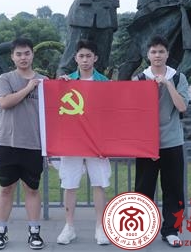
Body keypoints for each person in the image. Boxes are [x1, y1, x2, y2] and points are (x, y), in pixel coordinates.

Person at [0, 38, 47, 250]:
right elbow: (5, 103)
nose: (23, 58)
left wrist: (65, 83)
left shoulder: (44, 81)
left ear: (33, 55)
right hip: (8, 142)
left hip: (34, 144)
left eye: (27, 53)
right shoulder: (5, 78)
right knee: (6, 188)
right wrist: (29, 87)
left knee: (32, 189)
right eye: (19, 54)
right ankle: (0, 230)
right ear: (12, 57)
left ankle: (34, 232)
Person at [133, 35, 189, 248]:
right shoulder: (139, 79)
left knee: (173, 188)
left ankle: (171, 231)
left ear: (167, 54)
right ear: (148, 55)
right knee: (143, 189)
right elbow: (133, 113)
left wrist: (167, 84)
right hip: (146, 144)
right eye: (153, 52)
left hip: (172, 142)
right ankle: (141, 229)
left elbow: (182, 107)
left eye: (161, 51)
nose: (157, 55)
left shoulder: (178, 78)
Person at [55, 39, 110, 246]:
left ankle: (100, 227)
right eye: (81, 56)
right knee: (69, 184)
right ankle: (69, 227)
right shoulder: (66, 82)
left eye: (88, 56)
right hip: (72, 142)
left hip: (97, 141)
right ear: (75, 58)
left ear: (95, 58)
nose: (85, 60)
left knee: (99, 183)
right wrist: (59, 86)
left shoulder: (105, 82)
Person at [118, 0, 184, 80]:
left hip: (165, 24)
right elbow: (152, 5)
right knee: (133, 60)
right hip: (148, 24)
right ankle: (119, 87)